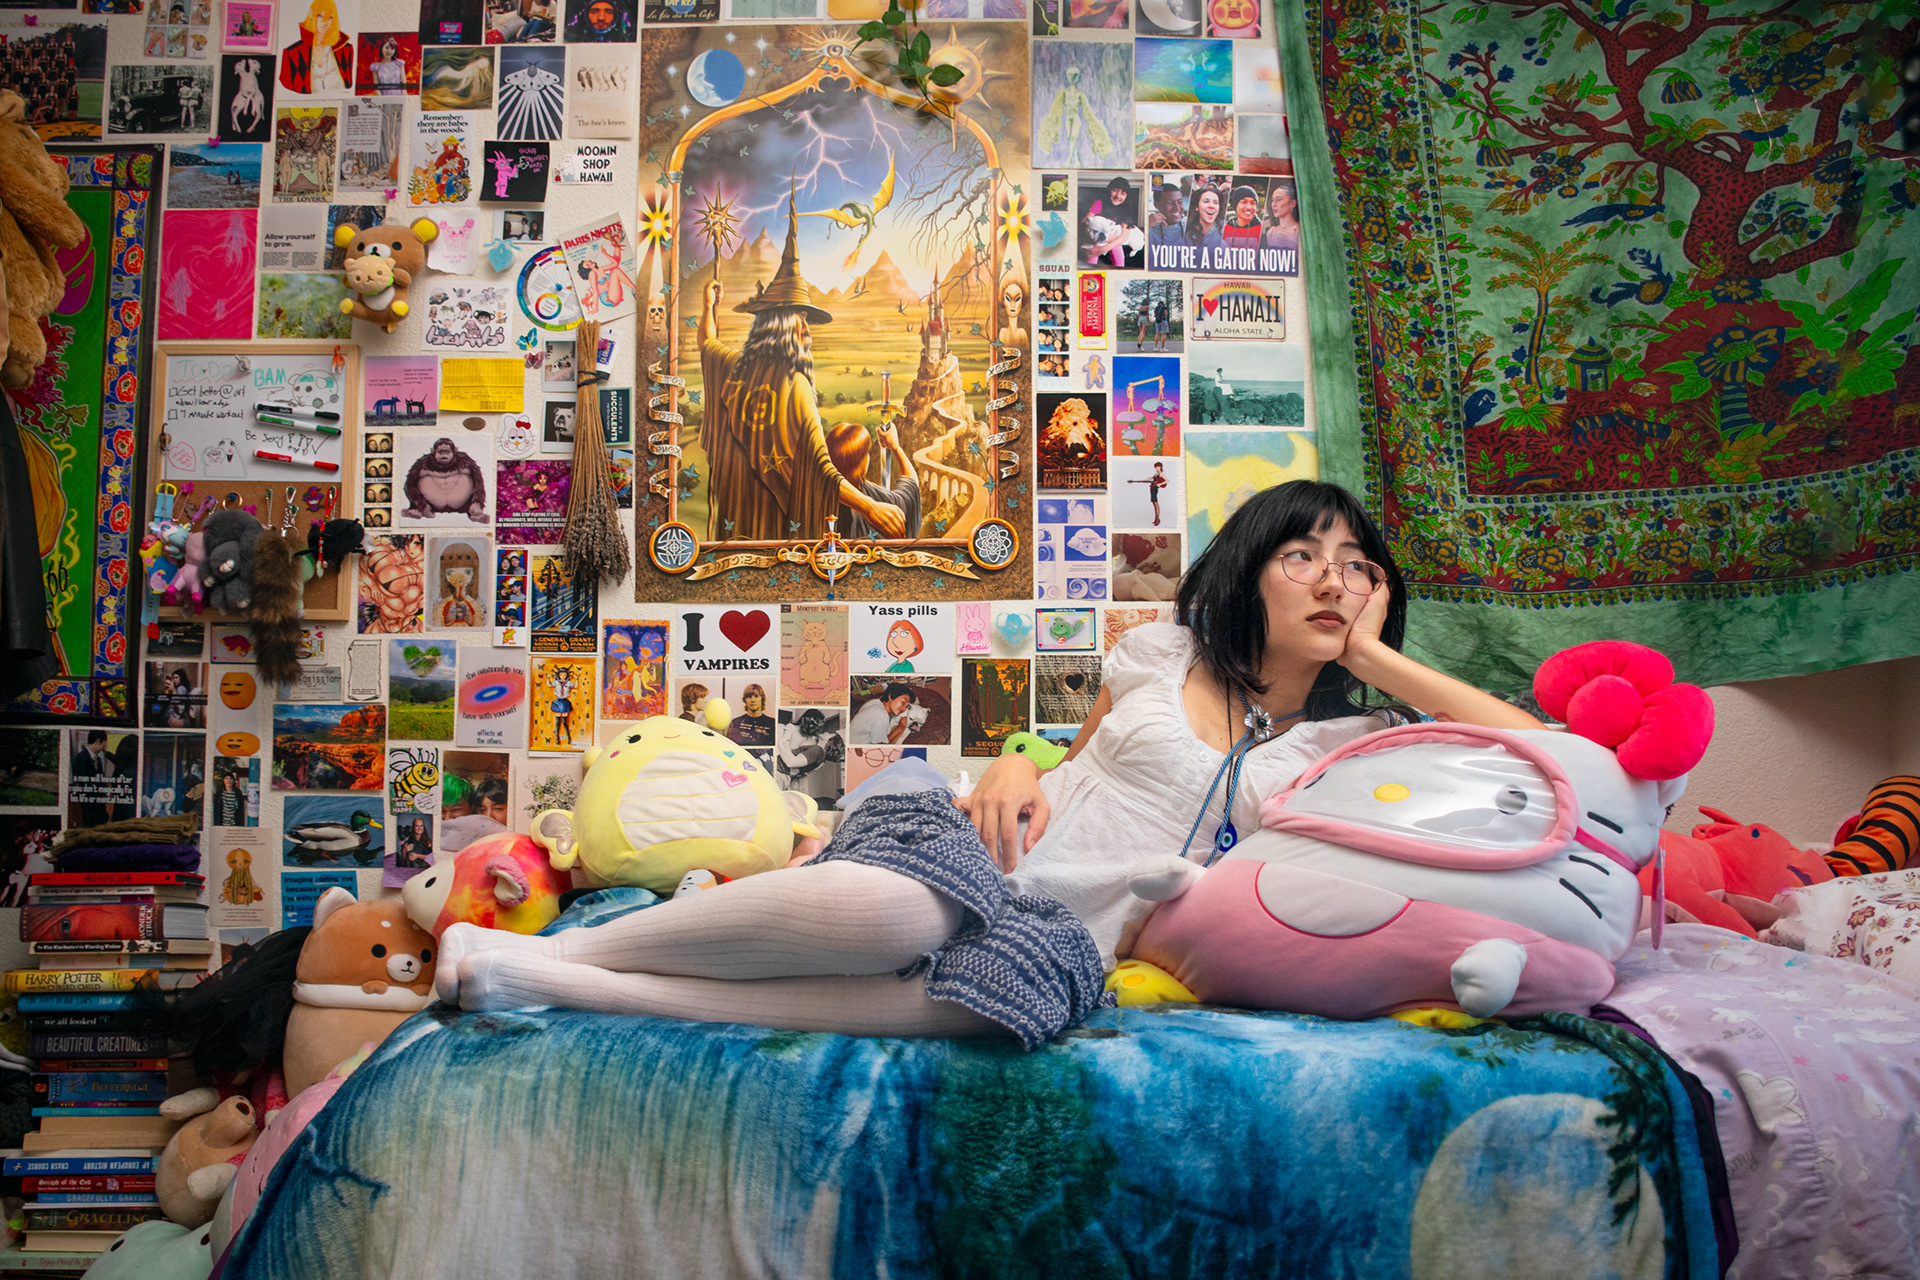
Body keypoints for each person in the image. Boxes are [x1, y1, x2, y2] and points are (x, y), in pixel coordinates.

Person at [433, 480, 1541, 1049]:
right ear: (1252, 571)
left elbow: (1542, 756)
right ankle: (569, 951)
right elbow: (1065, 757)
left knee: (997, 1003)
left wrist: (1377, 660)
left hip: (1074, 936)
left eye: (1357, 565)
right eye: (1302, 554)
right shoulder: (1163, 651)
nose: (1333, 579)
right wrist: (1015, 759)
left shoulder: (1353, 745)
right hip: (966, 847)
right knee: (907, 917)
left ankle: (537, 977)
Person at [698, 194, 903, 543]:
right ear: (779, 324)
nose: (807, 331)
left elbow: (707, 343)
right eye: (800, 320)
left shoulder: (735, 368)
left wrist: (707, 306)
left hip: (736, 524)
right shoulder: (794, 385)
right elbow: (821, 468)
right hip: (777, 527)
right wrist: (870, 506)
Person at [826, 421, 920, 542]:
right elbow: (910, 489)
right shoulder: (879, 503)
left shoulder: (815, 497)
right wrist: (895, 447)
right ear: (863, 463)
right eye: (866, 454)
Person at [278, 0, 351, 94]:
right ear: (311, 15)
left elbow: (349, 87)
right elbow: (285, 90)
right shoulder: (292, 53)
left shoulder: (346, 50)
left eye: (330, 18)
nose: (325, 22)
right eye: (320, 16)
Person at [850, 682, 916, 745]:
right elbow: (880, 746)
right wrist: (899, 729)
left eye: (907, 706)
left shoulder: (874, 702)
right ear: (891, 696)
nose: (904, 708)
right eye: (903, 702)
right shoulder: (882, 715)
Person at [1220, 184, 1263, 251]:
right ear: (1235, 205)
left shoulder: (1262, 230)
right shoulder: (1224, 229)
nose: (1249, 207)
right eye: (1244, 202)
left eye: (1253, 203)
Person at [1264, 179, 1301, 254]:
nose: (1274, 204)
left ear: (1292, 204)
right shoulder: (1271, 232)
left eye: (1279, 199)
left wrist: (1291, 242)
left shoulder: (1299, 230)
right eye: (1272, 200)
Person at [1128, 460, 1169, 526]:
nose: (1157, 468)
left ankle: (1157, 520)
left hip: (1155, 489)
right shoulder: (1156, 474)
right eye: (1156, 467)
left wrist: (1159, 484)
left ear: (1161, 467)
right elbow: (1150, 478)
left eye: (1158, 467)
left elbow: (1167, 480)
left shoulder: (1161, 474)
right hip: (1152, 488)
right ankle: (1156, 519)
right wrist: (1143, 481)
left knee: (1156, 503)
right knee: (1154, 503)